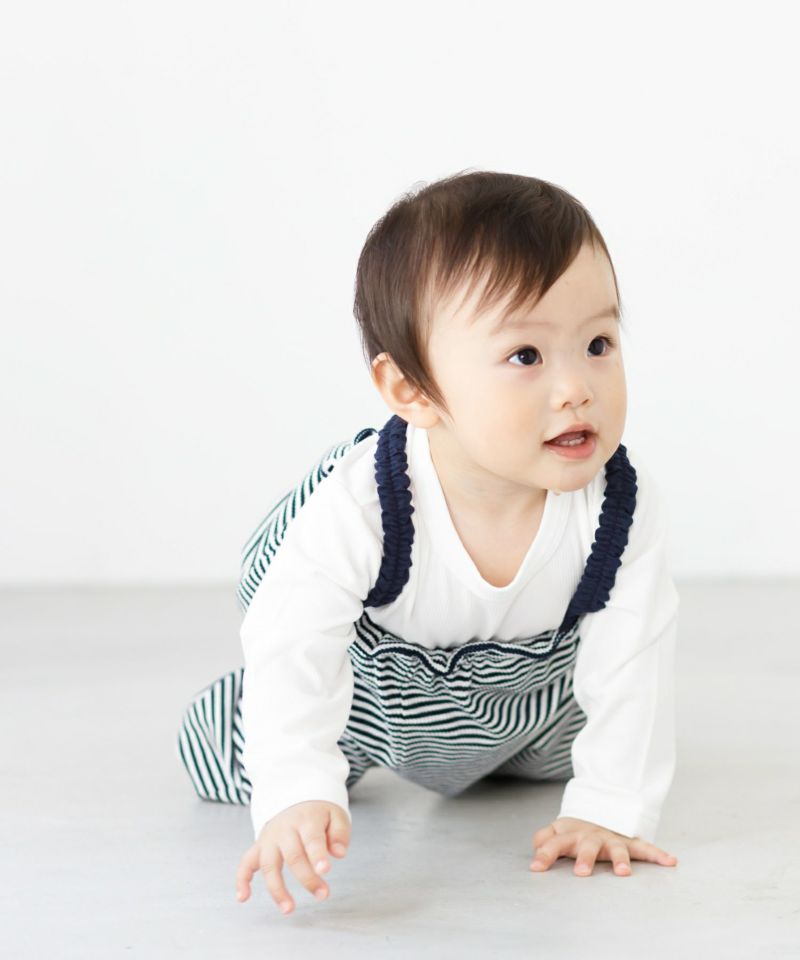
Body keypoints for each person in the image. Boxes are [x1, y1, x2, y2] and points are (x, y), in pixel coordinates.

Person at [176, 169, 680, 915]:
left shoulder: (618, 510)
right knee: (229, 753)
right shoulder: (366, 505)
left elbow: (633, 662)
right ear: (411, 390)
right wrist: (296, 790)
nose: (577, 387)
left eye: (598, 343)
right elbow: (296, 637)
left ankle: (498, 759)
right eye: (526, 356)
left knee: (578, 739)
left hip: (526, 705)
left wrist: (610, 806)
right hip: (370, 701)